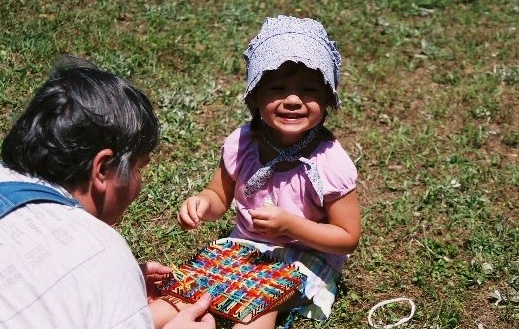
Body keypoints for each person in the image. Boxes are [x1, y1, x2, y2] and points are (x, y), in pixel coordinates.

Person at [0, 55, 215, 329]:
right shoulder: (102, 254)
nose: (139, 183)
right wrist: (109, 279)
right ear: (101, 169)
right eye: (138, 168)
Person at [177, 15, 361, 329]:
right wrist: (202, 205)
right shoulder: (244, 143)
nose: (293, 99)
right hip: (245, 249)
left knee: (259, 304)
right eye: (277, 87)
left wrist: (292, 225)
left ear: (328, 98)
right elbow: (218, 196)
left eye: (308, 90)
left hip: (305, 259)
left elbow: (346, 238)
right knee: (181, 293)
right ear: (256, 96)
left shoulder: (329, 162)